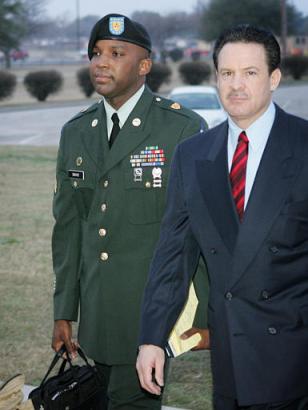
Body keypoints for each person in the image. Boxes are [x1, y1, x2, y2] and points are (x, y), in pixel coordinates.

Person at [136, 24, 308, 410]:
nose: (236, 85)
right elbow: (172, 259)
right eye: (227, 73)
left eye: (250, 73)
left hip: (296, 361)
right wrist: (151, 338)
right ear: (216, 78)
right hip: (230, 360)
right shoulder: (193, 156)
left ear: (275, 78)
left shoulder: (304, 146)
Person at [51, 13, 209, 410]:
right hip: (94, 317)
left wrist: (206, 317)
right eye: (96, 53)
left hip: (147, 318)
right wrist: (64, 311)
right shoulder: (76, 132)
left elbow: (202, 231)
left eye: (116, 53)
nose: (101, 61)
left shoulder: (181, 129)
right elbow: (69, 228)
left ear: (143, 66)